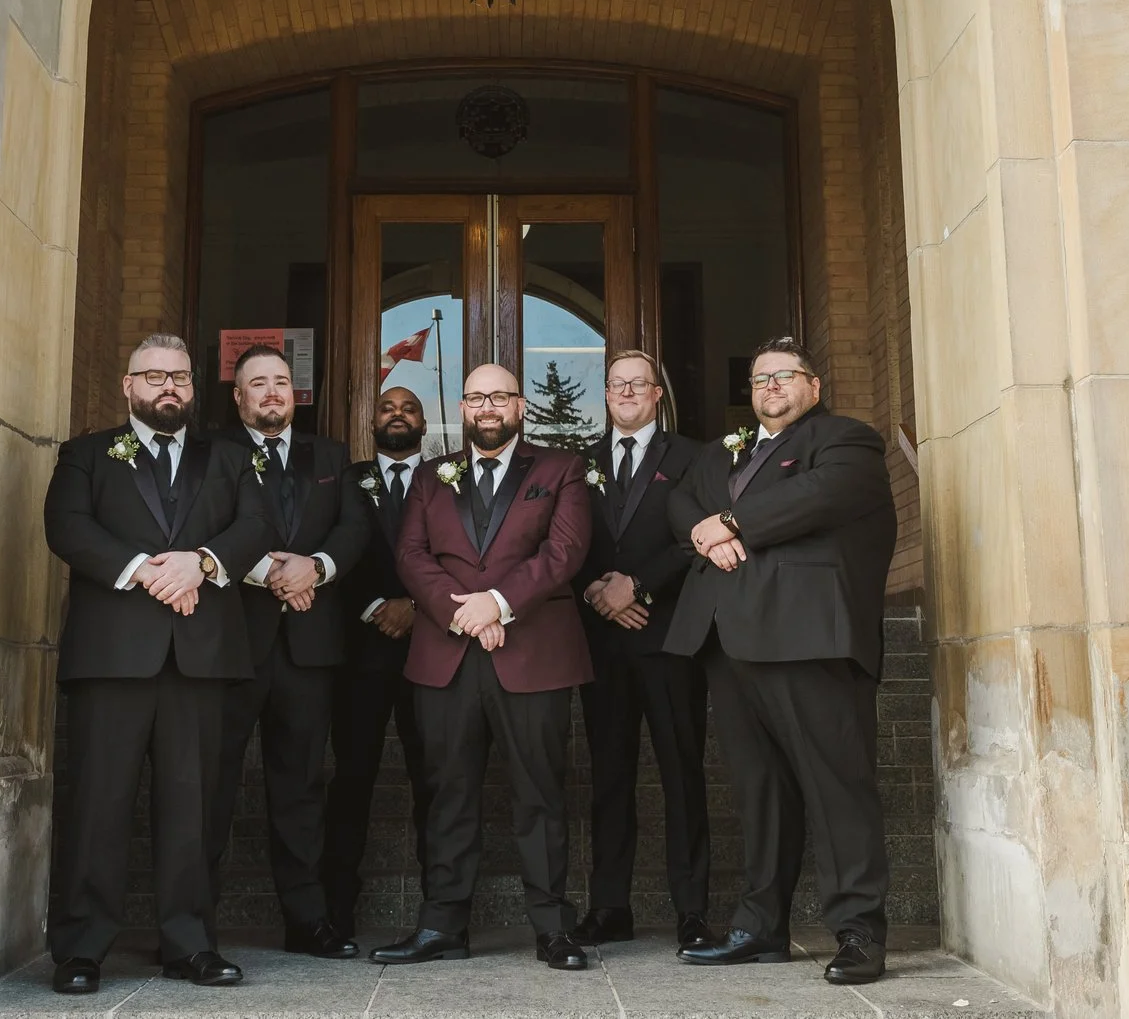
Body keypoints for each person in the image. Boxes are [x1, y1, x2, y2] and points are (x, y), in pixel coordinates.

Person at [664, 336, 897, 986]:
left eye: (785, 375)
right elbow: (680, 500)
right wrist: (703, 532)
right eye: (760, 376)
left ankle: (858, 931)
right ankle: (760, 925)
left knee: (836, 785)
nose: (770, 385)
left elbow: (822, 495)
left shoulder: (846, 440)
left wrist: (732, 522)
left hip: (808, 639)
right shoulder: (722, 452)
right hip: (727, 641)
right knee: (759, 790)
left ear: (814, 387)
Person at [42, 334, 270, 993]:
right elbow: (67, 526)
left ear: (194, 388)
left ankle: (190, 944)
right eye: (154, 376)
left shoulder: (227, 455)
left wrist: (198, 562)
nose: (167, 387)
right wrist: (147, 569)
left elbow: (255, 524)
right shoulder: (85, 454)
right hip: (112, 657)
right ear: (128, 383)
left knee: (191, 807)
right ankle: (82, 947)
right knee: (98, 804)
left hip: (199, 657)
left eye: (180, 377)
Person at [371, 363, 595, 972]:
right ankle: (442, 924)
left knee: (541, 793)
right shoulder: (428, 475)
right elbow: (411, 554)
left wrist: (497, 604)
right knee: (447, 791)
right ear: (463, 407)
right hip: (446, 653)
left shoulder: (561, 469)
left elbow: (565, 550)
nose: (488, 407)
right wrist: (461, 613)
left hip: (534, 655)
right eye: (476, 397)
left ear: (520, 406)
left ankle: (553, 927)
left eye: (499, 396)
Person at [204, 344, 371, 958]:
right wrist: (264, 574)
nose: (272, 392)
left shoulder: (329, 456)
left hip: (308, 647)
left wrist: (316, 568)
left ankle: (308, 922)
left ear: (295, 393)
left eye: (281, 382)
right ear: (238, 397)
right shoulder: (211, 453)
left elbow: (353, 529)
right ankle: (195, 927)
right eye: (258, 384)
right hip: (230, 645)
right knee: (210, 784)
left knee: (301, 788)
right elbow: (199, 527)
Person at [571, 350, 713, 951]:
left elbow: (697, 538)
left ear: (658, 394)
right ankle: (609, 906)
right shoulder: (581, 463)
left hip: (668, 639)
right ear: (605, 396)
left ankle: (693, 912)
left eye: (639, 383)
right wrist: (596, 588)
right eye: (616, 384)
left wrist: (640, 585)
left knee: (681, 773)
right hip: (603, 642)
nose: (626, 391)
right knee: (609, 777)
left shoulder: (693, 458)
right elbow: (565, 539)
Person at [318, 385, 435, 940]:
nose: (397, 415)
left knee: (433, 780)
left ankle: (441, 913)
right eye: (387, 407)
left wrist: (415, 607)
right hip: (359, 654)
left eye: (408, 408)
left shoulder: (445, 480)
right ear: (371, 420)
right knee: (351, 781)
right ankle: (337, 911)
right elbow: (333, 545)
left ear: (424, 423)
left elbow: (460, 556)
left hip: (430, 650)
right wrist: (374, 606)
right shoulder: (346, 480)